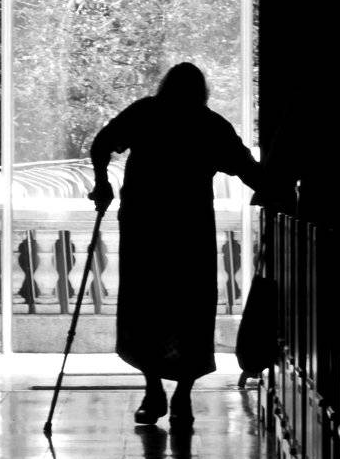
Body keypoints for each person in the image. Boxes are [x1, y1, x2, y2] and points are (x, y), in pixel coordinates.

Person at [89, 62, 264, 429]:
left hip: (145, 227)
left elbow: (102, 144)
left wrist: (102, 183)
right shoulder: (209, 124)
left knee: (145, 308)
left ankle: (153, 391)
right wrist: (280, 190)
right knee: (191, 310)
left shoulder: (146, 113)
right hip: (189, 231)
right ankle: (182, 396)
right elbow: (247, 168)